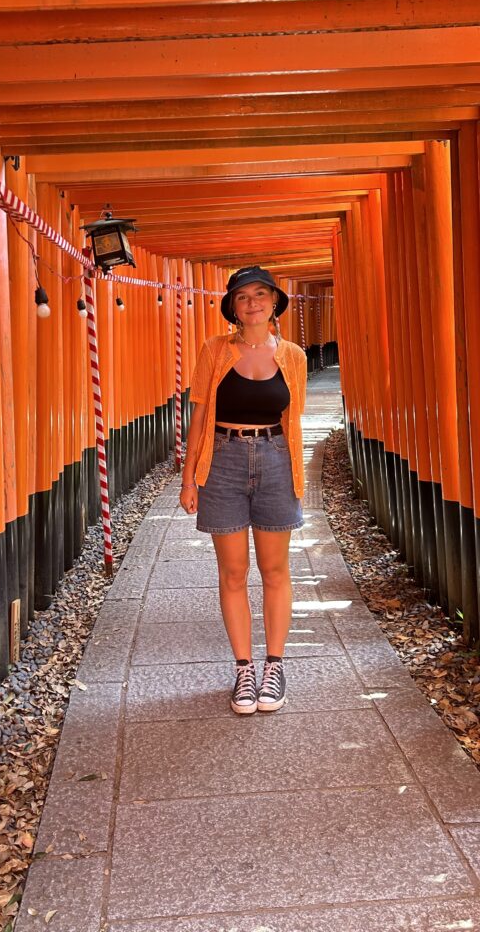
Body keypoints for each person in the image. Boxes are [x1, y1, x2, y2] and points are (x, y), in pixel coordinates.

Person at [179, 266, 307, 715]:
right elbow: (198, 415)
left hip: (274, 458)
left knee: (275, 570)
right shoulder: (215, 350)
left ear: (274, 302)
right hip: (223, 461)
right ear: (232, 307)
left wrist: (296, 477)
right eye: (242, 296)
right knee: (232, 573)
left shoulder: (293, 355)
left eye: (260, 294)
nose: (252, 302)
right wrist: (188, 475)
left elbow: (294, 422)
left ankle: (274, 665)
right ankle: (243, 669)